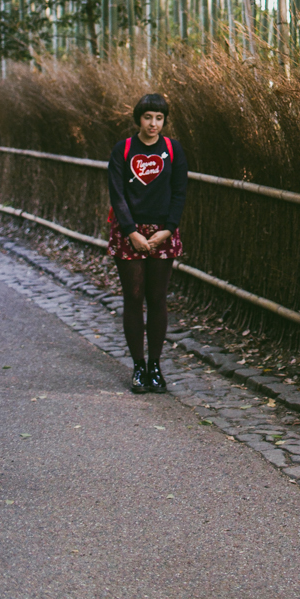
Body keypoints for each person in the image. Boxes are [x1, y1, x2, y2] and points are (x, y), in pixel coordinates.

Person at [107, 93, 189, 394]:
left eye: (159, 118)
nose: (153, 124)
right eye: (147, 117)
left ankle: (155, 366)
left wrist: (168, 229)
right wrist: (132, 232)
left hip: (162, 233)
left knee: (157, 298)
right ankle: (138, 367)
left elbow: (180, 191)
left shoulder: (172, 149)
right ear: (138, 119)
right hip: (130, 231)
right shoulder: (124, 149)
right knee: (134, 297)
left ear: (164, 121)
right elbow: (117, 194)